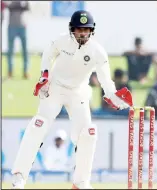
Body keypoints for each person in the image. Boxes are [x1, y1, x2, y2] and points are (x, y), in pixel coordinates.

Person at [11, 10, 133, 189]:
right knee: (38, 124)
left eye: (86, 30)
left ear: (92, 31)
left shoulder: (98, 51)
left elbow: (106, 80)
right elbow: (48, 53)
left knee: (88, 133)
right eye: (79, 29)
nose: (82, 33)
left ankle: (81, 182)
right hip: (55, 88)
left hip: (79, 93)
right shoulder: (62, 41)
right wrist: (44, 76)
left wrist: (113, 96)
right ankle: (19, 177)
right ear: (72, 30)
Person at [6, 1, 30, 79]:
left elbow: (27, 7)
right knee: (10, 51)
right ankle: (10, 72)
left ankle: (25, 72)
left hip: (22, 26)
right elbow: (9, 6)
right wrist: (19, 4)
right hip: (12, 26)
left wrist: (21, 4)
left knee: (25, 51)